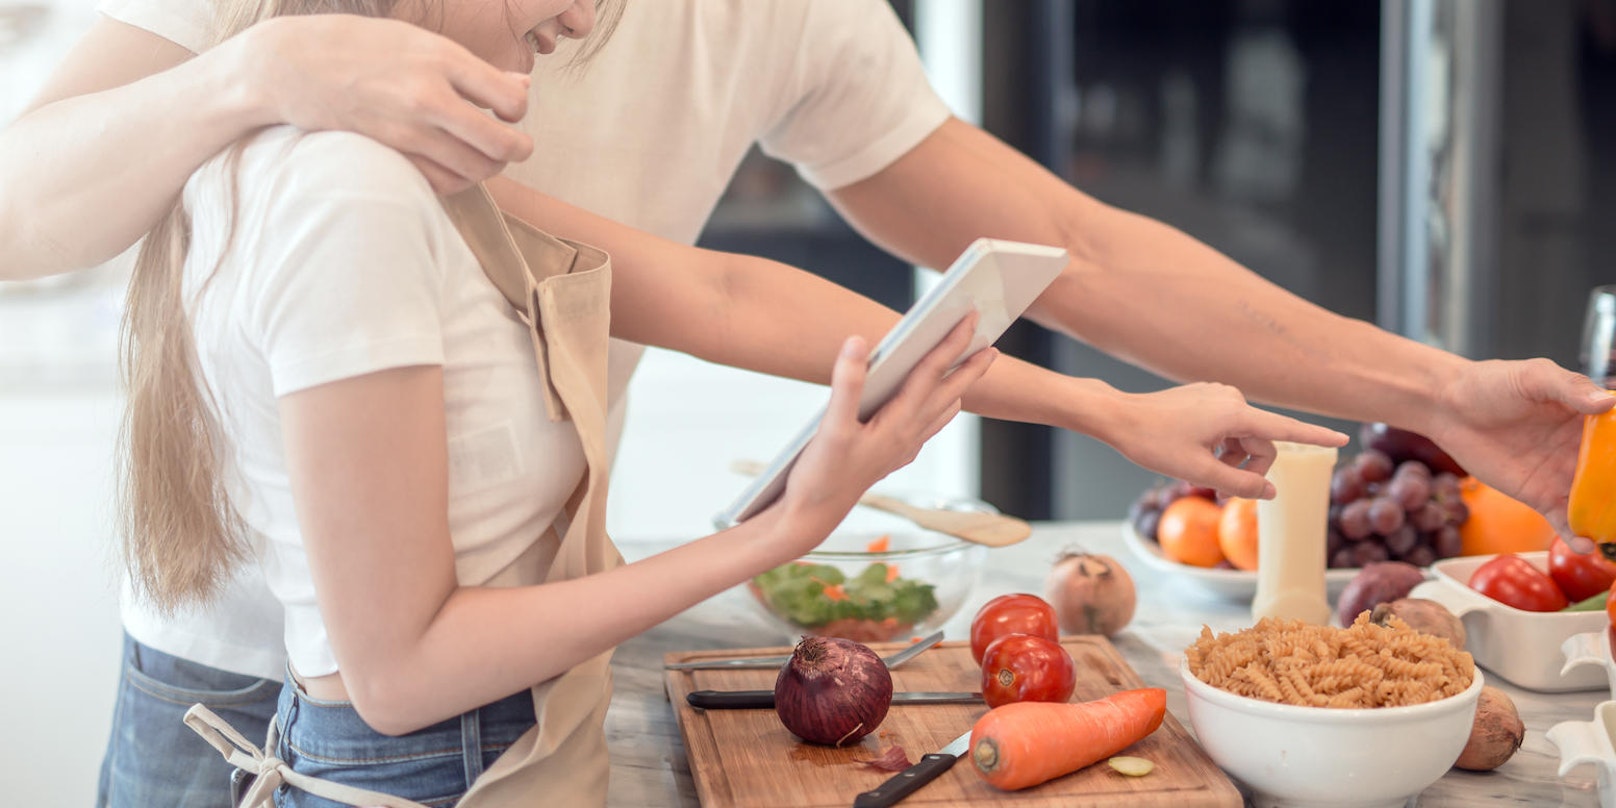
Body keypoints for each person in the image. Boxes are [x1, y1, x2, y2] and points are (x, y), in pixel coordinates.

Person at [0, 0, 1602, 804]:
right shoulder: (342, 165)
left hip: (528, 674)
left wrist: (1437, 392)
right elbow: (16, 205)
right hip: (258, 700)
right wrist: (265, 69)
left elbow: (785, 287)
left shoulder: (732, 29)